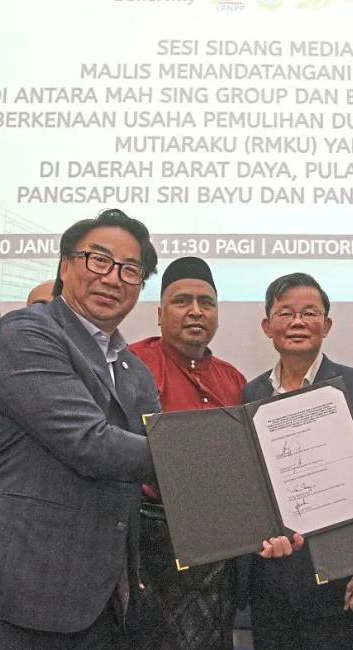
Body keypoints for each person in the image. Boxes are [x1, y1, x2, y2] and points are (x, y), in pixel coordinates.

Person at [0, 209, 299, 648]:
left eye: (130, 270)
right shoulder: (27, 332)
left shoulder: (132, 370)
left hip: (98, 604)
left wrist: (254, 524)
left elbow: (160, 469)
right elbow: (90, 444)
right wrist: (238, 467)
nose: (112, 278)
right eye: (99, 260)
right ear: (65, 266)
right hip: (10, 595)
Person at [239, 272, 353, 649]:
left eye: (309, 313)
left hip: (340, 584)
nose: (298, 322)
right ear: (267, 326)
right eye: (285, 313)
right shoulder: (251, 393)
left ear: (327, 324)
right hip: (269, 582)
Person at [127, 256, 246, 649]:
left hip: (217, 541)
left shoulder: (233, 378)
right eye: (182, 301)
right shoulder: (133, 364)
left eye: (206, 303)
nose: (196, 311)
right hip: (148, 543)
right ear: (160, 314)